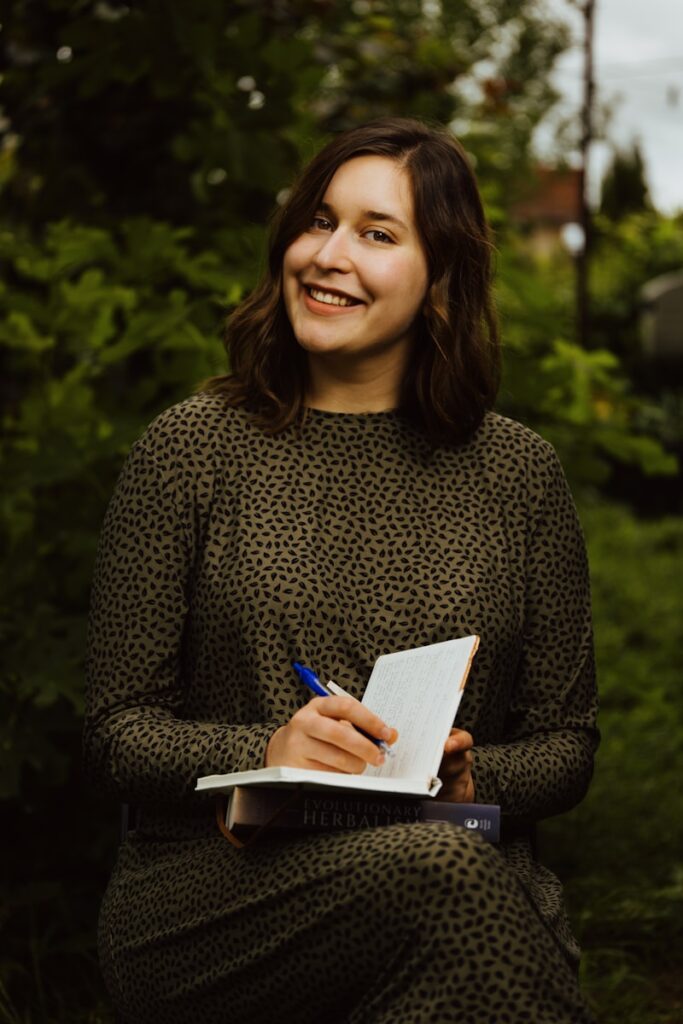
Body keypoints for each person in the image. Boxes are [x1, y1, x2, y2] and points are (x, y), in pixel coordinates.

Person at [84, 117, 599, 1023]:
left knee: (452, 879)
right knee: (457, 887)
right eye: (317, 220)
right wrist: (266, 752)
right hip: (219, 892)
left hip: (454, 863)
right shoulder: (191, 449)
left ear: (439, 282)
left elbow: (566, 744)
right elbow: (117, 729)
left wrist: (478, 786)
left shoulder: (517, 474)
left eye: (376, 233)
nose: (328, 255)